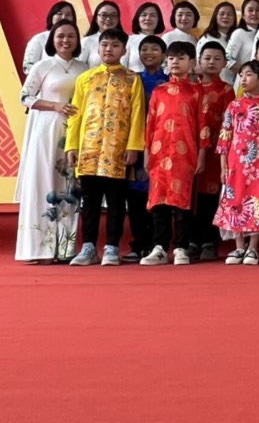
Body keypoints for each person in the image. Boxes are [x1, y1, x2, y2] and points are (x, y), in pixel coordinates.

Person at [65, 27, 146, 266]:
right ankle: (88, 247)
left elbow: (138, 114)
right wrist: (72, 145)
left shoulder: (132, 79)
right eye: (105, 45)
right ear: (98, 48)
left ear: (124, 50)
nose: (109, 49)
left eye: (115, 45)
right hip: (88, 149)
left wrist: (134, 146)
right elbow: (76, 114)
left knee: (116, 201)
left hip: (117, 151)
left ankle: (112, 246)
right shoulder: (86, 78)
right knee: (89, 202)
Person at [14, 19, 87, 263]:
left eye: (71, 36)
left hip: (75, 131)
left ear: (77, 40)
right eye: (60, 36)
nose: (66, 40)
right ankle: (41, 249)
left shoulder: (84, 68)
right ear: (52, 40)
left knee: (70, 186)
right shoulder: (43, 66)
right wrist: (55, 105)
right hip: (47, 130)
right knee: (45, 183)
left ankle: (65, 249)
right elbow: (25, 97)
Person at [139, 40, 209, 266]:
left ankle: (180, 247)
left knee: (182, 202)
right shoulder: (158, 91)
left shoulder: (198, 91)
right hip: (159, 152)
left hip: (185, 154)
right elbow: (150, 124)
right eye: (171, 58)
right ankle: (159, 247)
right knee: (158, 202)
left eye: (180, 58)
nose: (175, 62)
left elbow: (204, 126)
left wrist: (202, 155)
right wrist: (147, 152)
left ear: (192, 62)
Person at [216, 60, 259, 266]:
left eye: (249, 75)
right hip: (236, 162)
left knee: (257, 199)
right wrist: (223, 166)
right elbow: (225, 136)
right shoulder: (234, 106)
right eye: (241, 75)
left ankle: (253, 247)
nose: (243, 79)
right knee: (235, 200)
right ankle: (238, 247)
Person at [124, 34, 168, 262]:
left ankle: (157, 244)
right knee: (135, 196)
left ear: (164, 55)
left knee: (159, 195)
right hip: (136, 143)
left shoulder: (170, 82)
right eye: (144, 49)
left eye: (154, 49)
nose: (148, 53)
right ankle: (138, 243)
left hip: (163, 145)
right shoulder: (132, 80)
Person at [192, 41, 235, 261]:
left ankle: (210, 241)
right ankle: (192, 241)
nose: (211, 62)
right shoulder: (192, 88)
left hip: (215, 152)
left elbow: (231, 122)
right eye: (207, 58)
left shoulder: (226, 89)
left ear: (225, 63)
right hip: (191, 149)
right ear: (198, 61)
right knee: (191, 197)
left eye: (217, 58)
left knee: (210, 196)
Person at [22, 1, 76, 74]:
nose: (64, 17)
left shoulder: (76, 39)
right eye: (59, 14)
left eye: (68, 14)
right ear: (51, 17)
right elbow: (28, 68)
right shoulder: (39, 39)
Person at [198, 1, 238, 83]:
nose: (225, 16)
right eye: (222, 14)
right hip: (213, 84)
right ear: (215, 16)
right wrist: (247, 68)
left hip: (233, 83)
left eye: (229, 14)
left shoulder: (235, 38)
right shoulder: (208, 39)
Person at [226, 0, 259, 76]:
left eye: (258, 10)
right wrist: (247, 72)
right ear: (243, 15)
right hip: (244, 79)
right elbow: (227, 60)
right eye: (250, 10)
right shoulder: (239, 33)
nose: (254, 13)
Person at [81, 0, 123, 70]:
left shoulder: (126, 41)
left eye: (113, 15)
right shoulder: (87, 41)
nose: (108, 19)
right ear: (96, 19)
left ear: (118, 19)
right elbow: (80, 67)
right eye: (104, 15)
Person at [126, 2, 166, 71]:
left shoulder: (163, 42)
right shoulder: (129, 40)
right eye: (144, 15)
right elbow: (121, 65)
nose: (147, 18)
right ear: (138, 18)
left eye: (153, 15)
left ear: (159, 20)